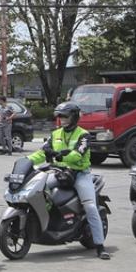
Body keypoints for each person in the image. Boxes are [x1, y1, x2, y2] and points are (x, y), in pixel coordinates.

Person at [29, 102, 109, 260]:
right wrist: (27, 160)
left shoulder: (83, 135)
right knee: (37, 189)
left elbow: (78, 154)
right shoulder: (55, 134)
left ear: (74, 117)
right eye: (60, 116)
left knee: (90, 207)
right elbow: (42, 153)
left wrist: (60, 156)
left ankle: (100, 246)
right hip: (59, 173)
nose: (62, 119)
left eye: (65, 116)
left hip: (80, 174)